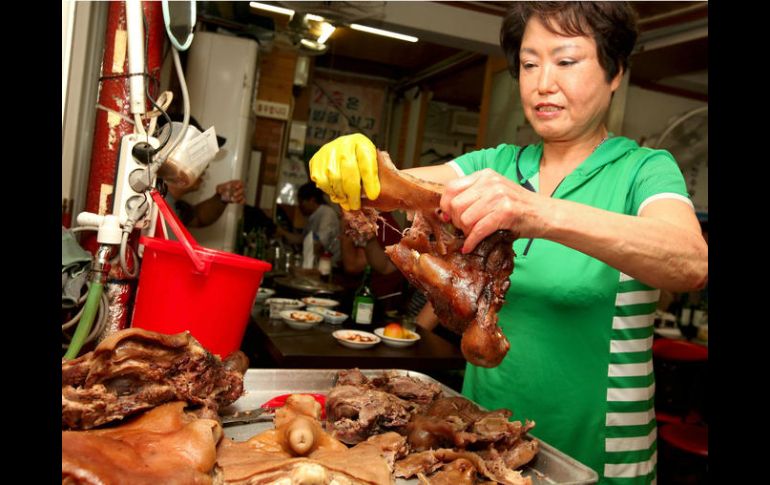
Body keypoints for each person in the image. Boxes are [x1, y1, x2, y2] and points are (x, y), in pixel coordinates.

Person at [306, 3, 708, 483]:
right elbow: (396, 189)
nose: (542, 83)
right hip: (482, 450)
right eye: (529, 63)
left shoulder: (643, 170)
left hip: (600, 462)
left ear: (615, 71)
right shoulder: (494, 166)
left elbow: (689, 261)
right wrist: (358, 165)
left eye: (566, 61)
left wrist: (538, 212)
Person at [276, 182, 341, 265]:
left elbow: (318, 244)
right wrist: (282, 232)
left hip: (330, 266)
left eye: (302, 203)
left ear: (312, 200)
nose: (300, 206)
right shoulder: (313, 216)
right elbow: (302, 239)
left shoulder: (326, 213)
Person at [166, 177, 246, 228]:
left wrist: (223, 198)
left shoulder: (175, 207)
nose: (205, 170)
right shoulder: (157, 201)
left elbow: (198, 217)